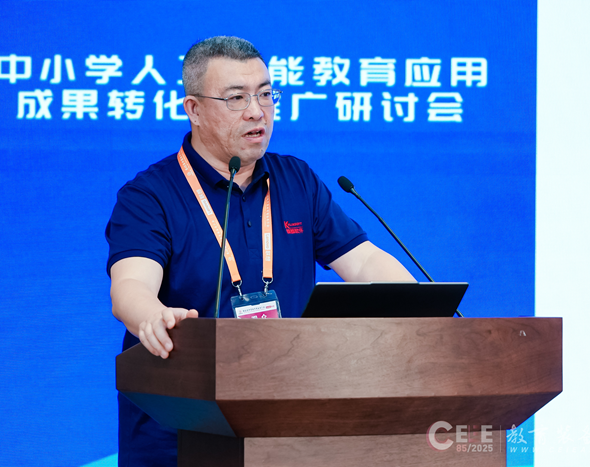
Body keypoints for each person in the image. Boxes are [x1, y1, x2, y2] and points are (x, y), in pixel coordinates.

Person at [105, 35, 415, 466]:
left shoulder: (296, 180)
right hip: (180, 437)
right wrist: (151, 317)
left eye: (266, 94)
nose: (257, 111)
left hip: (285, 429)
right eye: (236, 98)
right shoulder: (150, 195)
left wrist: (421, 306)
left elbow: (362, 261)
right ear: (194, 109)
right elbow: (131, 286)